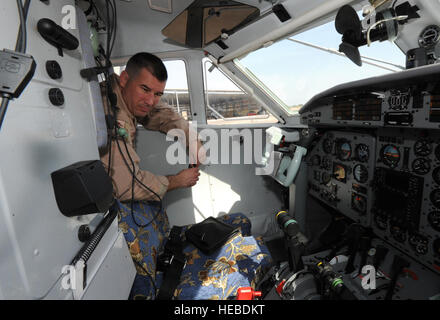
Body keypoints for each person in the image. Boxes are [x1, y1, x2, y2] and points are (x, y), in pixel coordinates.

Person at [100, 52, 205, 202]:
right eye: (145, 89)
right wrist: (176, 181)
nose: (150, 101)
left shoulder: (120, 90)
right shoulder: (112, 118)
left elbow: (162, 114)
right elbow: (127, 187)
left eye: (157, 94)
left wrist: (193, 139)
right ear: (124, 79)